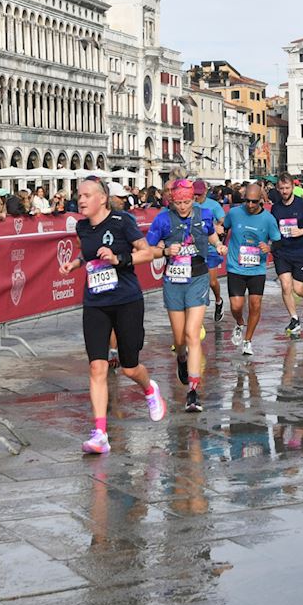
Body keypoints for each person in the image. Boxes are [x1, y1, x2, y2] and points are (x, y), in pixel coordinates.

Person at [57, 176, 165, 454]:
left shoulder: (122, 222)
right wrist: (77, 263)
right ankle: (100, 433)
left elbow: (148, 253)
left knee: (129, 367)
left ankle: (149, 388)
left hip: (126, 300)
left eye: (86, 195)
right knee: (97, 366)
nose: (80, 199)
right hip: (95, 302)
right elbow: (89, 254)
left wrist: (119, 260)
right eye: (78, 195)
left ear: (102, 198)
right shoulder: (82, 227)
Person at [145, 180, 227, 412]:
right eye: (178, 202)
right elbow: (146, 249)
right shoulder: (162, 219)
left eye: (187, 202)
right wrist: (163, 251)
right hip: (173, 281)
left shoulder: (205, 215)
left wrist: (219, 245)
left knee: (193, 334)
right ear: (172, 201)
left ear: (194, 199)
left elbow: (211, 235)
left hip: (198, 278)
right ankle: (181, 358)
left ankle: (193, 391)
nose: (182, 207)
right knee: (180, 339)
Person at [223, 183, 281, 356]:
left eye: (254, 202)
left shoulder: (269, 219)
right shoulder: (234, 213)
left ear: (261, 200)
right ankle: (240, 323)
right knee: (236, 306)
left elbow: (278, 241)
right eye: (247, 201)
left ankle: (248, 341)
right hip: (235, 267)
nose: (250, 205)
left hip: (257, 270)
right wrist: (219, 242)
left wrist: (269, 247)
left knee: (255, 305)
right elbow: (224, 229)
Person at [269, 176, 303, 337]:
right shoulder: (276, 208)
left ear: (292, 187)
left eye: (287, 188)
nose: (284, 192)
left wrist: (301, 231)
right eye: (281, 188)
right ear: (278, 188)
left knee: (298, 288)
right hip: (281, 252)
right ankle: (294, 318)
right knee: (285, 286)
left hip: (300, 251)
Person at [192, 180, 227, 322]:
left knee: (212, 282)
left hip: (211, 248)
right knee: (199, 282)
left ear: (205, 192)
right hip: (196, 249)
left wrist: (216, 226)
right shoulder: (189, 205)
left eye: (199, 195)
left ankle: (218, 301)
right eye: (194, 194)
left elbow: (223, 220)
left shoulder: (213, 205)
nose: (196, 197)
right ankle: (197, 313)